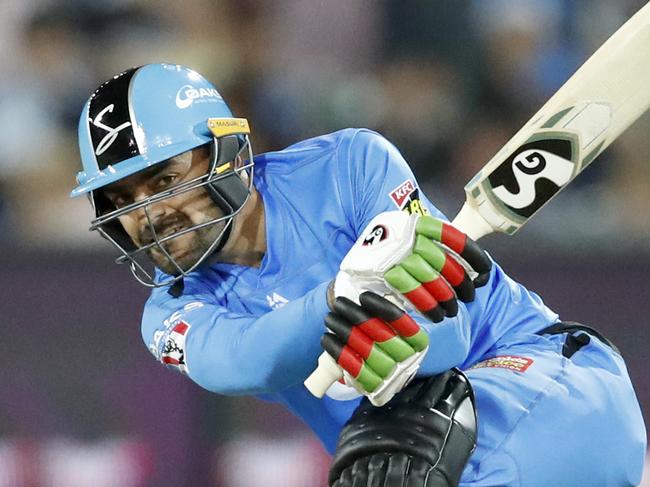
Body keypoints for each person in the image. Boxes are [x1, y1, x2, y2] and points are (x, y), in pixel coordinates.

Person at [71, 63, 646, 487]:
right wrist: (342, 295)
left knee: (409, 438)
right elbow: (247, 360)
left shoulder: (347, 165)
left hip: (552, 391)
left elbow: (450, 334)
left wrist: (378, 328)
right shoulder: (169, 313)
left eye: (165, 178)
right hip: (430, 464)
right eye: (123, 198)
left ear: (224, 152)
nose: (149, 213)